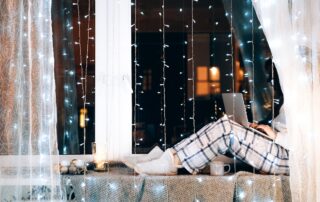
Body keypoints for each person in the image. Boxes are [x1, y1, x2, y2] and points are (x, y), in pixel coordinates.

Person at [133, 61, 289, 176]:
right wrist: (261, 128)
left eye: (272, 78)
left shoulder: (307, 103)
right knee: (222, 124)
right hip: (275, 146)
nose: (270, 82)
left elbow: (310, 145)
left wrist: (276, 136)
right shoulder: (286, 101)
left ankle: (172, 162)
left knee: (226, 130)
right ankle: (170, 155)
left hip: (286, 158)